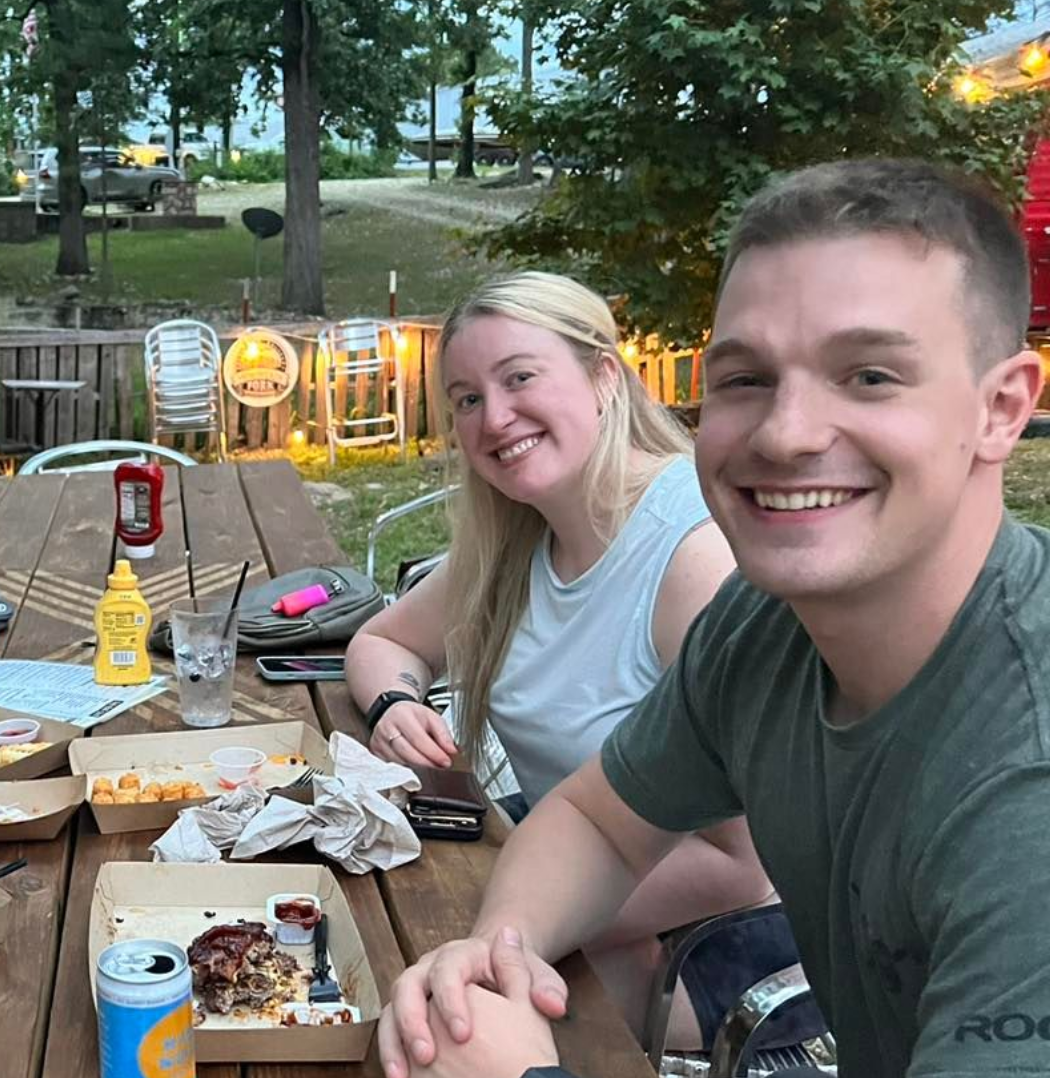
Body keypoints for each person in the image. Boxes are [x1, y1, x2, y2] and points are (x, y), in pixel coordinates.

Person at [377, 159, 1050, 1078]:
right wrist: (497, 956)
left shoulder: (1027, 782)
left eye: (869, 375)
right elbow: (599, 821)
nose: (786, 433)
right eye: (744, 378)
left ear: (1001, 408)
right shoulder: (763, 627)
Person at [345, 271, 786, 1049]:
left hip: (721, 950)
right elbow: (382, 643)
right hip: (559, 888)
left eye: (519, 378)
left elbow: (740, 868)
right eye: (467, 398)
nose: (494, 416)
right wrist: (397, 705)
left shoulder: (693, 559)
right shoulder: (516, 537)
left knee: (427, 1019)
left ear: (603, 376)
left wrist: (508, 918)